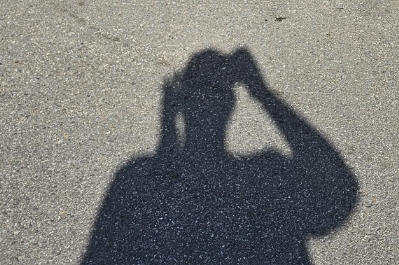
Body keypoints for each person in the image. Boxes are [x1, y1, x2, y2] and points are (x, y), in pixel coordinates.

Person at [83, 48, 358, 264]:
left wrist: (167, 123)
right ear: (231, 104)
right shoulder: (265, 175)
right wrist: (261, 92)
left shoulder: (134, 175)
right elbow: (338, 183)